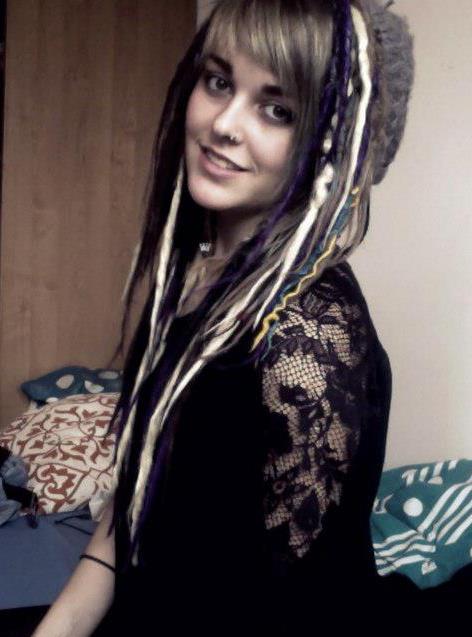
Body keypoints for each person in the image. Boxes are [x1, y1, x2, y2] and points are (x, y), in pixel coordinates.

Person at [33, 0, 414, 635]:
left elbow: (288, 606)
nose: (224, 124)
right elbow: (132, 511)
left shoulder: (305, 339)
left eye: (277, 109)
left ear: (330, 143)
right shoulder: (195, 270)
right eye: (218, 82)